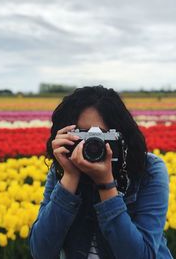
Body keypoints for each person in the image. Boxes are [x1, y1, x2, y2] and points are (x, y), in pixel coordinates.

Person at [28, 85, 173, 259]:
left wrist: (106, 185)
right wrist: (70, 178)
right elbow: (41, 253)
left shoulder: (148, 169)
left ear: (121, 137)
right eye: (82, 137)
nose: (93, 145)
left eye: (102, 137)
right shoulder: (64, 168)